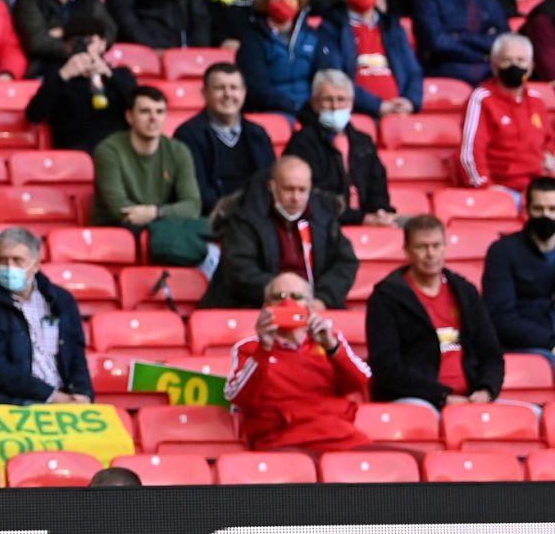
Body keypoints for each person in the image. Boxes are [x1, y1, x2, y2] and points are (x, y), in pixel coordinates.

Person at [367, 214, 505, 409]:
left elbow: (491, 353)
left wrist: (486, 390)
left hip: (472, 396)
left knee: (532, 414)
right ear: (406, 251)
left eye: (436, 245)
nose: (431, 254)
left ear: (445, 247)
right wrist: (441, 396)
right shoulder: (386, 298)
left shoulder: (465, 292)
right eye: (422, 247)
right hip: (417, 399)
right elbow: (387, 367)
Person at [225, 272, 371, 451]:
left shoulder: (331, 342)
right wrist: (264, 349)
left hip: (342, 439)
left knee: (402, 464)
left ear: (310, 307)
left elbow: (361, 382)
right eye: (278, 297)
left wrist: (332, 347)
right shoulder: (249, 348)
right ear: (266, 307)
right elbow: (238, 397)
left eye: (296, 297)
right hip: (284, 444)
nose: (287, 303)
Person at [201, 155, 359, 310]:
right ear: (272, 187)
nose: (296, 198)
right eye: (289, 189)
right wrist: (281, 297)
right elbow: (240, 270)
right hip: (254, 307)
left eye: (302, 190)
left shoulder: (324, 217)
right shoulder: (245, 217)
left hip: (313, 307)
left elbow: (346, 262)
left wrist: (323, 299)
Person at [0, 227, 92, 405]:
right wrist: (52, 396)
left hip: (64, 396)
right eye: (3, 260)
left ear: (36, 265)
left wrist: (82, 393)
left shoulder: (61, 300)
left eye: (18, 260)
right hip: (11, 401)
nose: (10, 268)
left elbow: (76, 355)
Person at [92, 85, 203, 229]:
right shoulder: (108, 150)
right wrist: (163, 214)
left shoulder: (179, 150)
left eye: (160, 112)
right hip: (115, 230)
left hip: (161, 225)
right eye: (145, 111)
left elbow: (193, 206)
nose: (153, 118)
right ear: (129, 117)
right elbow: (119, 208)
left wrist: (156, 213)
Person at [459, 34, 555, 197]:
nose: (514, 66)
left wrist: (549, 154)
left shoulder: (536, 100)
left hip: (538, 190)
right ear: (495, 66)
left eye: (520, 60)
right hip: (503, 189)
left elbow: (549, 140)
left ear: (531, 67)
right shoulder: (482, 98)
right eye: (507, 60)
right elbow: (470, 152)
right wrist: (486, 187)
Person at [24, 16, 137, 153]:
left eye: (90, 41)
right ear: (68, 46)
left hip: (117, 151)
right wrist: (63, 75)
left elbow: (138, 106)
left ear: (103, 43)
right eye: (77, 41)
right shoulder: (58, 75)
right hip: (76, 154)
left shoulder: (120, 74)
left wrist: (108, 74)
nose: (84, 46)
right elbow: (34, 115)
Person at [326, 0, 421, 119]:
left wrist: (410, 101)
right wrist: (379, 106)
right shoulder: (331, 28)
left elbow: (414, 72)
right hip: (357, 115)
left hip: (400, 114)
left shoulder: (393, 28)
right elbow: (335, 77)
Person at [175, 62, 277, 210]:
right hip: (214, 219)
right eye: (219, 88)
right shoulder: (188, 134)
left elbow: (272, 183)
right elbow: (199, 193)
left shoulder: (258, 134)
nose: (228, 94)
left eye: (234, 88)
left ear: (244, 92)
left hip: (258, 216)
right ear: (204, 93)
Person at [238, 0, 335, 115]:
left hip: (312, 111)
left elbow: (325, 77)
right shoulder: (253, 38)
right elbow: (257, 88)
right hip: (272, 111)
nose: (284, 1)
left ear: (299, 1)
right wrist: (295, 108)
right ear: (266, 2)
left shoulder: (314, 36)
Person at [483, 176, 555, 354]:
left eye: (553, 209)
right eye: (539, 209)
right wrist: (550, 342)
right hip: (527, 346)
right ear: (527, 210)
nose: (546, 215)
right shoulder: (503, 251)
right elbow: (500, 318)